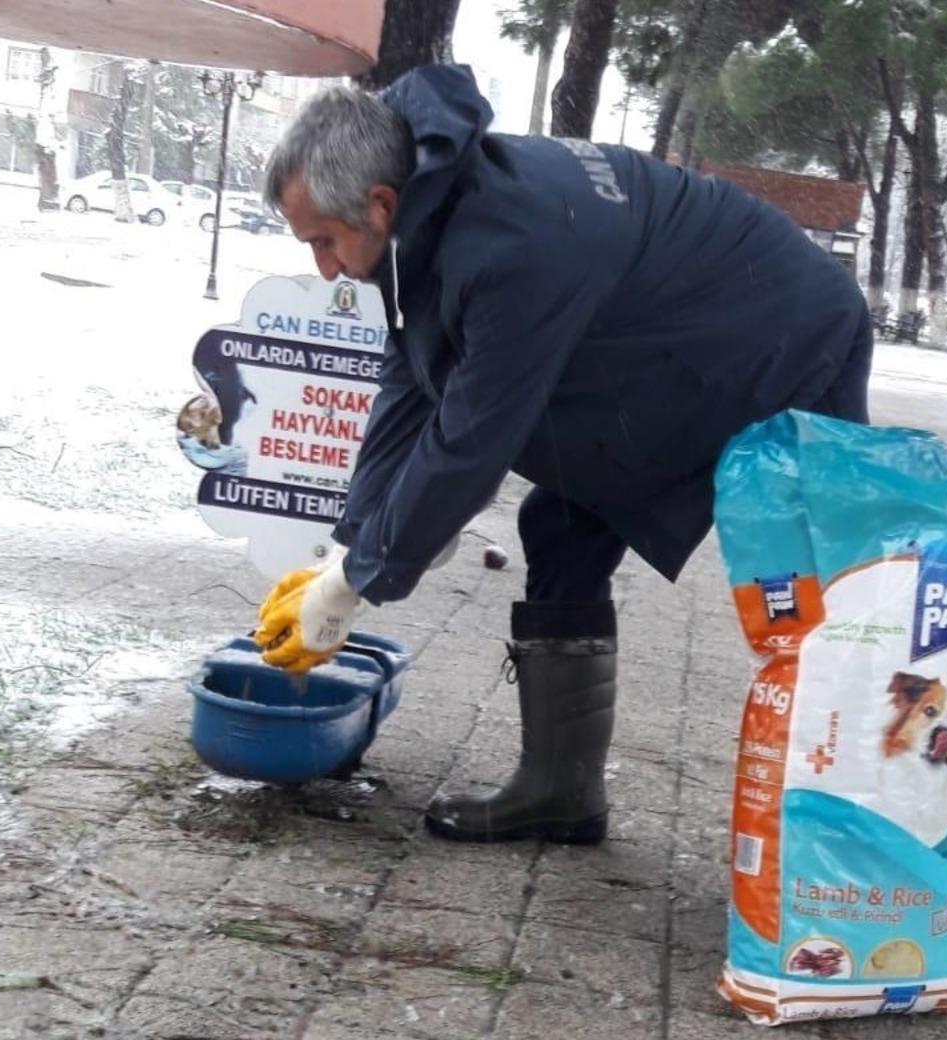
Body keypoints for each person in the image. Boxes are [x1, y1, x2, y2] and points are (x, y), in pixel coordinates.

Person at [253, 64, 872, 844]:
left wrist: (356, 581)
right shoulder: (428, 208)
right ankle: (562, 792)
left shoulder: (510, 245)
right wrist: (352, 542)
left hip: (783, 333)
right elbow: (412, 376)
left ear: (378, 204)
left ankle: (865, 806)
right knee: (564, 522)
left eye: (324, 241)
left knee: (832, 579)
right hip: (685, 328)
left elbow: (473, 439)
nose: (326, 267)